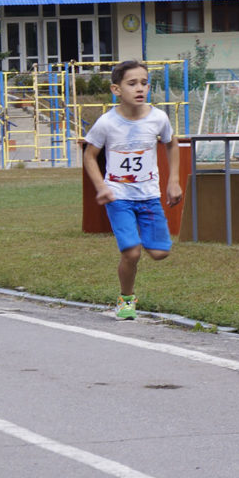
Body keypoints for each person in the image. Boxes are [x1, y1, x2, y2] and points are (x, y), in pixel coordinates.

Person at [82, 60, 182, 320]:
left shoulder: (158, 118)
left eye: (144, 83)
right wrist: (101, 187)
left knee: (160, 253)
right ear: (116, 89)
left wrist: (173, 181)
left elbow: (172, 144)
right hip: (118, 197)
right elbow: (89, 155)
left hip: (149, 196)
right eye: (132, 83)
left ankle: (145, 236)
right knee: (132, 252)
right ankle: (126, 300)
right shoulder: (107, 123)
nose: (140, 88)